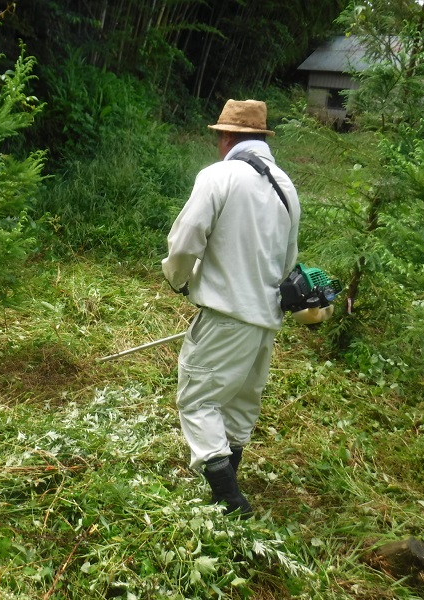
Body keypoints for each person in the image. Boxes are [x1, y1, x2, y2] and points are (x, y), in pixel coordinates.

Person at [162, 99, 300, 515]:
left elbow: (186, 240)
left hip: (224, 318)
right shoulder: (287, 186)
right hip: (265, 322)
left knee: (198, 400)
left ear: (225, 137)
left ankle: (228, 497)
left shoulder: (218, 176)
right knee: (240, 404)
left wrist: (177, 278)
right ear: (261, 138)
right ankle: (228, 484)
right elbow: (289, 258)